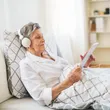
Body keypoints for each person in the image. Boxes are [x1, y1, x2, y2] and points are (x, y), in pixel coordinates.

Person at [19, 22, 110, 110]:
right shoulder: (26, 64)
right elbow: (41, 97)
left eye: (42, 36)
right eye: (38, 37)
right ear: (26, 43)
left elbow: (67, 70)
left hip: (76, 80)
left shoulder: (48, 54)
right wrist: (69, 81)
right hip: (66, 90)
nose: (43, 40)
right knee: (107, 88)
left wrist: (83, 64)